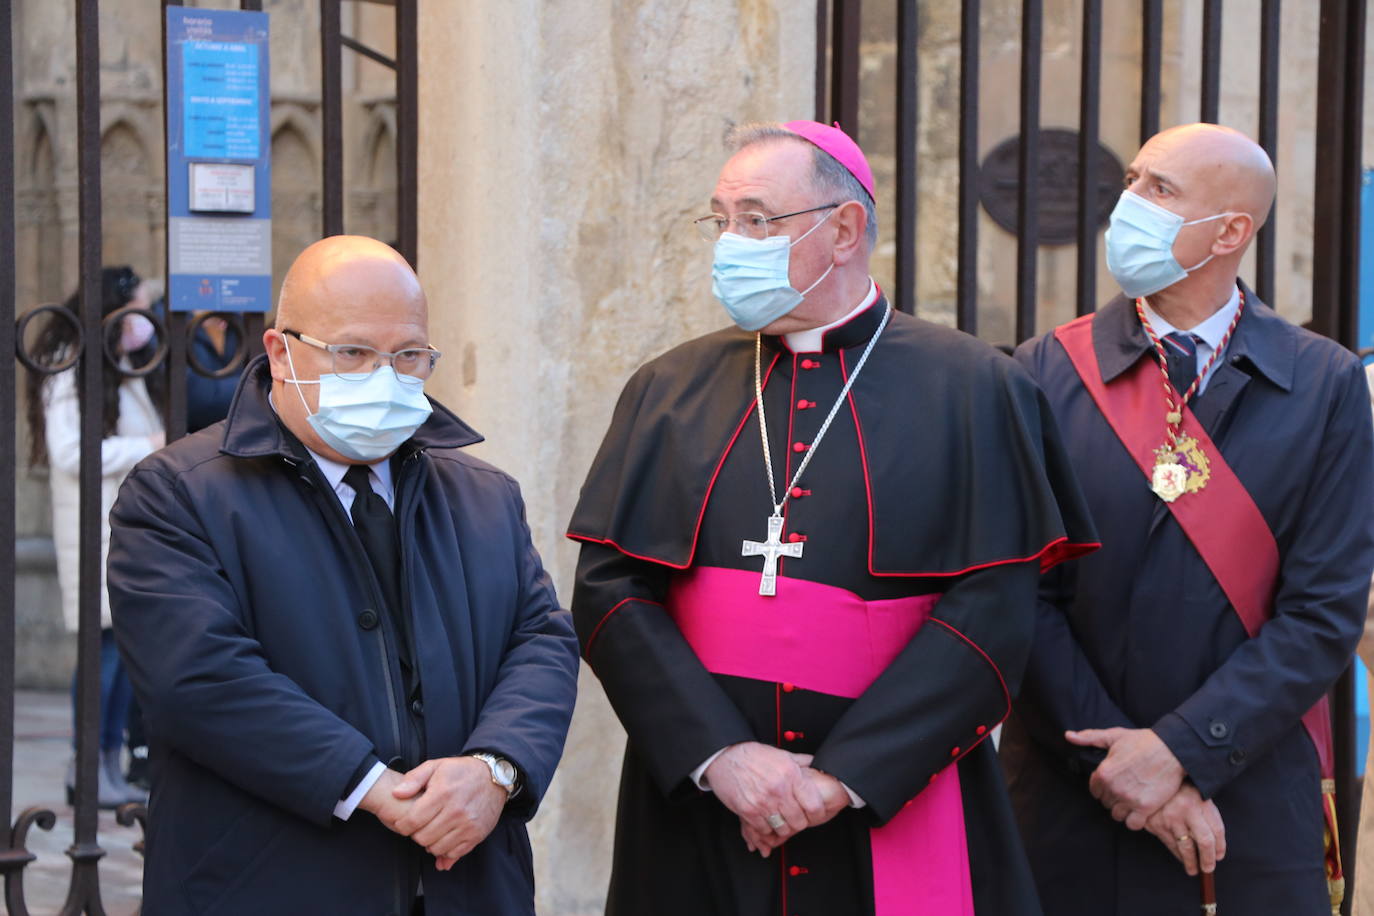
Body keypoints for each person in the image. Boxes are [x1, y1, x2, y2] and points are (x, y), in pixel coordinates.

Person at [567, 121, 1099, 915]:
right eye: (721, 219)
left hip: (900, 790)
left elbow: (993, 616)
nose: (730, 242)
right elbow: (611, 592)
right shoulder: (666, 388)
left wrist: (843, 777)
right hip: (702, 803)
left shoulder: (976, 388)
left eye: (757, 218)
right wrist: (721, 757)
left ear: (843, 229)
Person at [108, 236, 579, 914]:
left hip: (467, 887)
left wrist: (495, 769)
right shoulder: (179, 494)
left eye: (409, 356)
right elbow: (200, 677)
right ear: (279, 352)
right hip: (267, 884)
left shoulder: (484, 494)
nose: (384, 378)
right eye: (353, 352)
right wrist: (374, 787)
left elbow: (540, 640)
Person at [1003, 123, 1374, 915]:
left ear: (1232, 231)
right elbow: (1018, 593)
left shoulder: (1323, 383)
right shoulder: (1038, 370)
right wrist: (1124, 770)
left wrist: (1181, 751)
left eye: (1160, 190)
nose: (1129, 203)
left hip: (1247, 799)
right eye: (1133, 179)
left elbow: (1323, 612)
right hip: (1069, 796)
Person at [25, 265, 164, 809]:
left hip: (131, 526)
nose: (146, 323)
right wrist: (148, 443)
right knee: (103, 654)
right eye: (140, 311)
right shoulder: (68, 371)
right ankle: (87, 768)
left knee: (123, 655)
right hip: (94, 527)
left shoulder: (120, 367)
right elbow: (69, 453)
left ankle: (109, 764)